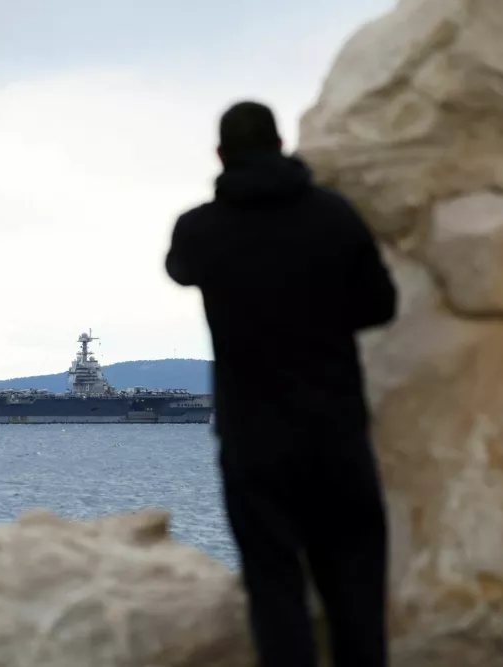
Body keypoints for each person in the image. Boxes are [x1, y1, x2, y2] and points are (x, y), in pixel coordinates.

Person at [164, 100, 397, 667]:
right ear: (280, 145)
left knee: (274, 591)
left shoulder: (200, 228)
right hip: (335, 432)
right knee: (356, 593)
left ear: (220, 154)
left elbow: (178, 269)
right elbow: (380, 305)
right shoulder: (334, 216)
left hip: (254, 439)